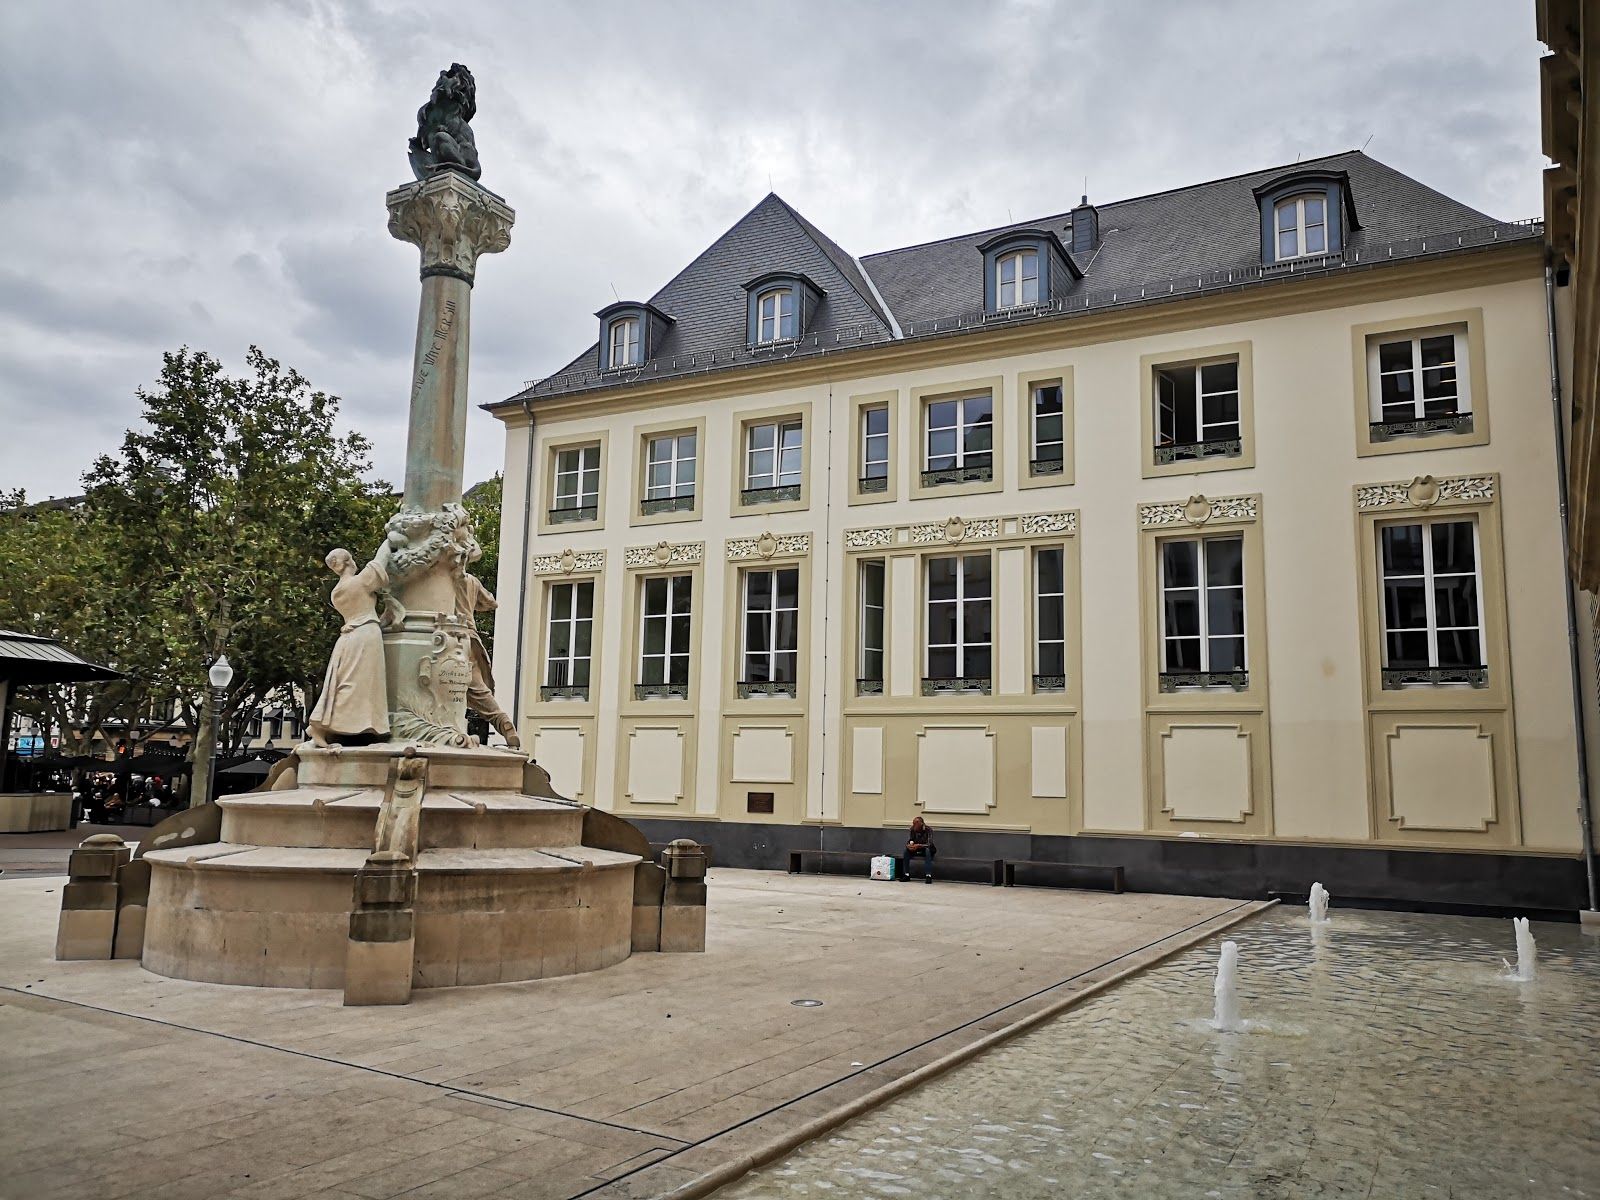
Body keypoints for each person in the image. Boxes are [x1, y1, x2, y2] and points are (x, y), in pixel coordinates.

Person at [308, 543, 394, 746]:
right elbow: (380, 560)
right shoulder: (359, 583)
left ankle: (323, 725)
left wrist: (385, 619)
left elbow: (359, 614)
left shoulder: (337, 592)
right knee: (358, 684)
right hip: (365, 637)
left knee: (343, 683)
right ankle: (336, 726)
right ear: (348, 562)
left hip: (349, 637)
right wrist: (391, 537)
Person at [901, 816, 936, 883]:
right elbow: (910, 840)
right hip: (915, 848)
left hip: (926, 849)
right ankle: (906, 875)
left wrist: (919, 845)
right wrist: (908, 845)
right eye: (913, 823)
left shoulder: (928, 830)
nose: (913, 825)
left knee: (927, 851)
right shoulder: (912, 829)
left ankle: (928, 875)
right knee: (906, 851)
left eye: (915, 824)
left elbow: (929, 844)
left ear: (921, 824)